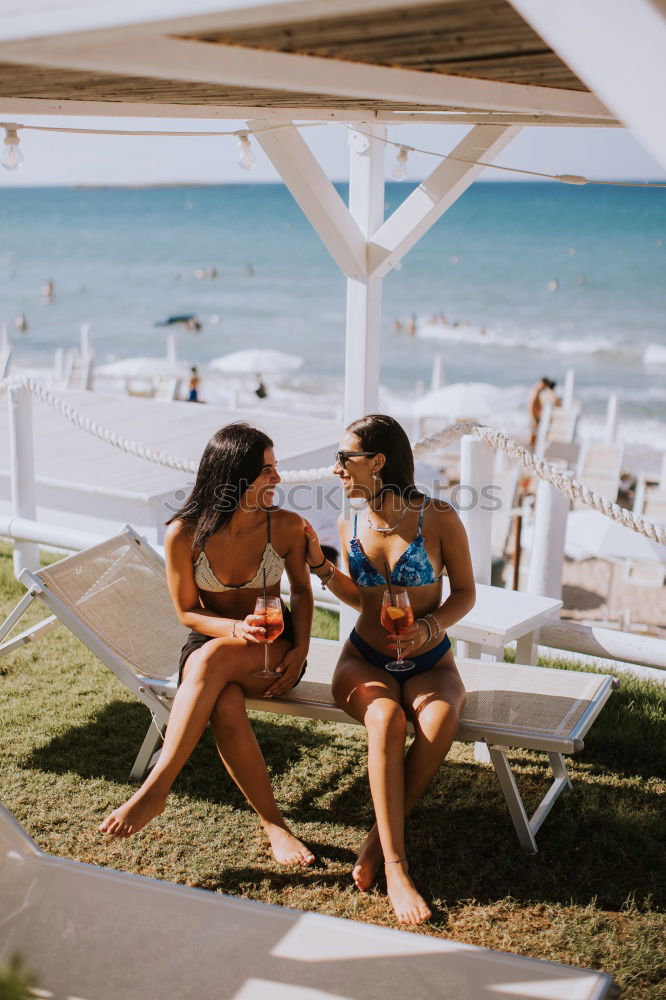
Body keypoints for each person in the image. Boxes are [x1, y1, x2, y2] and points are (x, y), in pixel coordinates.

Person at [99, 423, 315, 866]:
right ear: (235, 477)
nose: (277, 479)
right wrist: (233, 630)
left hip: (274, 649)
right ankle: (275, 825)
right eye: (267, 470)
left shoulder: (288, 527)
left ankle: (155, 790)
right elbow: (186, 612)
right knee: (226, 702)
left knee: (212, 661)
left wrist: (302, 649)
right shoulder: (185, 533)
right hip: (213, 645)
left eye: (276, 468)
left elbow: (303, 593)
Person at [303, 414, 474, 925]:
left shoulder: (438, 517)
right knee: (387, 720)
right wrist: (320, 567)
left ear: (377, 462)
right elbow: (361, 599)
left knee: (441, 719)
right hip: (364, 659)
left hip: (428, 659)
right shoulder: (348, 521)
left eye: (344, 458)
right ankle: (397, 868)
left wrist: (429, 629)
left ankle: (377, 839)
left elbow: (465, 593)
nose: (336, 469)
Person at [528, 377, 557, 447]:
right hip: (536, 417)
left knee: (535, 434)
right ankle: (531, 447)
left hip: (537, 417)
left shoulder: (537, 392)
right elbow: (532, 407)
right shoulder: (536, 393)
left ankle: (532, 447)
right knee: (534, 434)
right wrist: (534, 418)